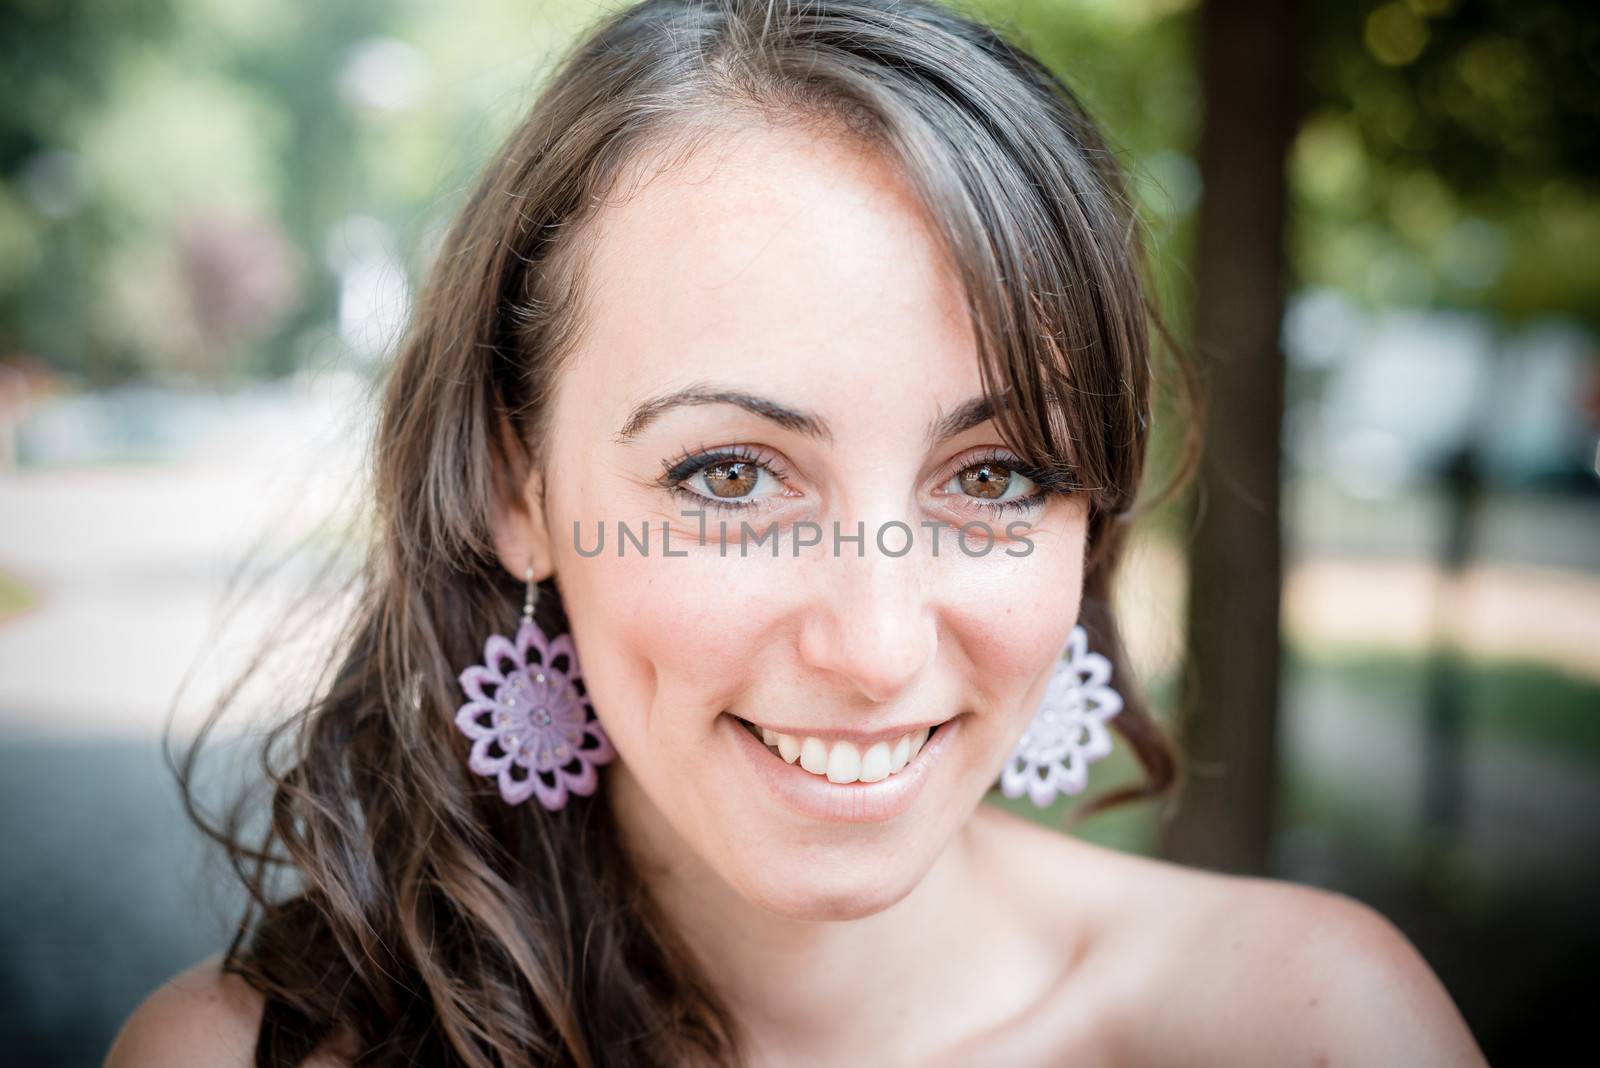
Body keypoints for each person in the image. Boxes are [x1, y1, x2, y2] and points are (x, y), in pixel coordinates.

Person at [106, 0, 1487, 1064]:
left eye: (997, 476)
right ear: (513, 488)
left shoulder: (1314, 1027)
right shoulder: (243, 1058)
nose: (877, 648)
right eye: (728, 478)